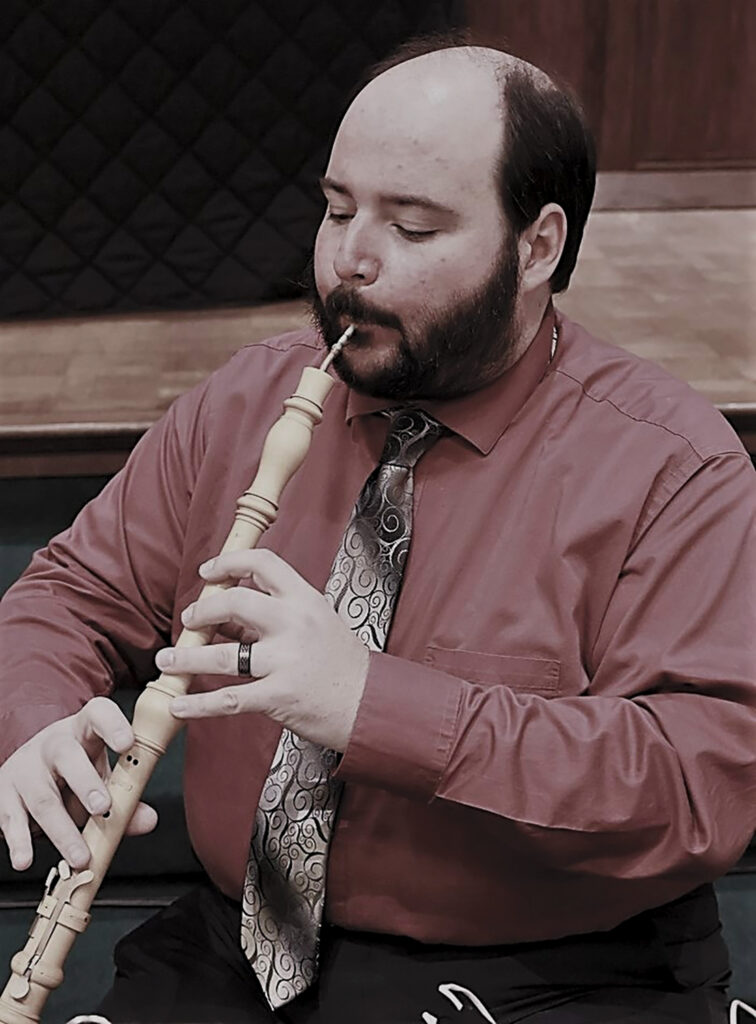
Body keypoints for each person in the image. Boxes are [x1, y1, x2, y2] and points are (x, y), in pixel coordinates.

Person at [1, 35, 755, 1024]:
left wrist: (373, 703)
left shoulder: (675, 466)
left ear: (539, 246)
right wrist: (37, 716)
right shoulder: (246, 398)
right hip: (242, 938)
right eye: (338, 208)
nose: (350, 260)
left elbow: (698, 783)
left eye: (412, 226)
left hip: (553, 968)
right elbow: (69, 594)